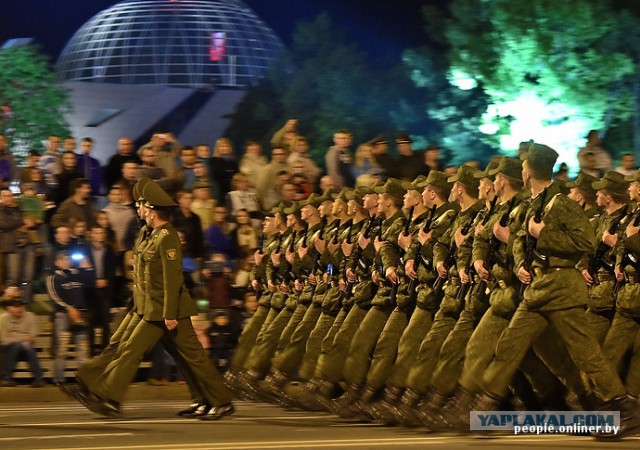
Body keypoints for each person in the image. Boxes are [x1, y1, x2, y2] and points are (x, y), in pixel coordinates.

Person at [70, 180, 234, 420]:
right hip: (150, 307)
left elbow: (172, 279)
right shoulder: (150, 234)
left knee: (186, 356)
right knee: (183, 358)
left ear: (151, 208)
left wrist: (168, 312)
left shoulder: (167, 237)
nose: (138, 209)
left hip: (168, 311)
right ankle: (203, 400)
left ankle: (221, 401)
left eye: (141, 205)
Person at [48, 250, 95, 383]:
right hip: (63, 314)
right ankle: (58, 378)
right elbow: (54, 297)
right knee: (62, 347)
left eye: (67, 259)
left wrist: (88, 268)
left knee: (82, 347)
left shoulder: (78, 274)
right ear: (56, 262)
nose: (66, 261)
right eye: (62, 259)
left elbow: (91, 285)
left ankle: (84, 379)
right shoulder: (53, 277)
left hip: (80, 313)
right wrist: (69, 308)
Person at [0, 295, 45, 387]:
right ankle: (6, 378)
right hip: (6, 350)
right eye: (15, 306)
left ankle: (38, 379)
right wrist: (23, 337)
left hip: (25, 350)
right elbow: (3, 341)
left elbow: (32, 338)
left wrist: (13, 335)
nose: (19, 308)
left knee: (26, 346)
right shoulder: (2, 319)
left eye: (21, 306)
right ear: (9, 308)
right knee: (17, 344)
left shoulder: (31, 316)